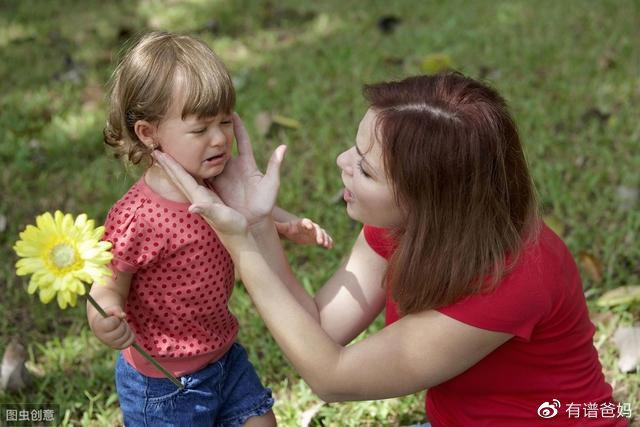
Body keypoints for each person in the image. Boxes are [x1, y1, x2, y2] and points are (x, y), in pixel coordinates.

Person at [153, 72, 628, 426]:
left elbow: (332, 378)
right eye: (354, 151)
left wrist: (242, 247)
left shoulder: (516, 275)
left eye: (365, 169)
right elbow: (320, 330)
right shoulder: (406, 224)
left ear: (429, 199)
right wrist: (256, 224)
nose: (342, 163)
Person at [87, 31, 332, 427]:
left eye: (223, 123)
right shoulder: (138, 216)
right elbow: (108, 281)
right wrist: (103, 314)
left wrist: (287, 224)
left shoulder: (214, 181)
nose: (219, 139)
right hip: (164, 382)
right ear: (149, 134)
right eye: (200, 130)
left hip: (224, 354)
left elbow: (248, 211)